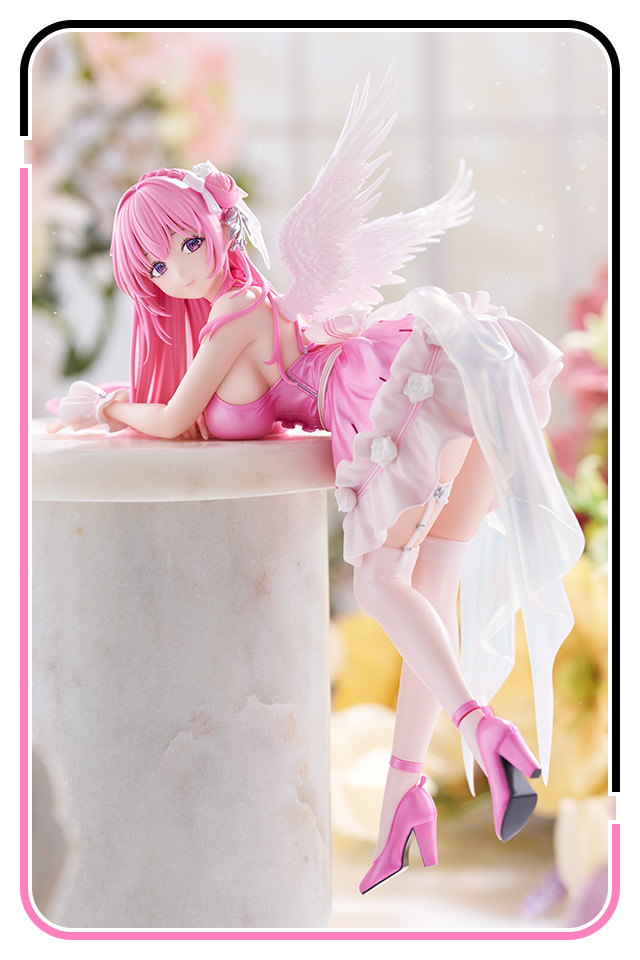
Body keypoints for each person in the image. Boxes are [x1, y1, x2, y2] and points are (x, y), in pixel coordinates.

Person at [47, 73, 585, 895]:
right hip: (429, 380)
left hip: (389, 395)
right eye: (157, 264)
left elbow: (176, 417)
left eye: (186, 242)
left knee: (381, 585)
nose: (179, 268)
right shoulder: (253, 301)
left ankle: (483, 728)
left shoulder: (231, 317)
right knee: (431, 579)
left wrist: (108, 404)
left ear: (216, 225)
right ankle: (406, 789)